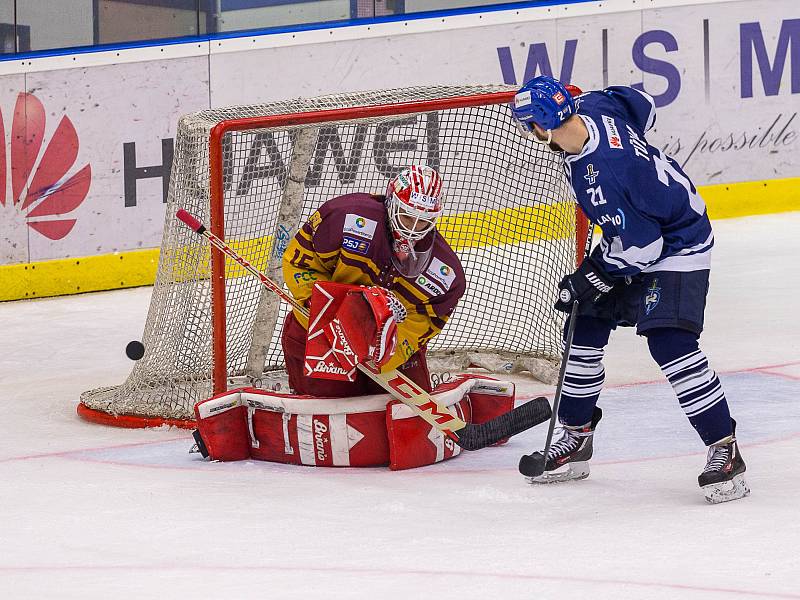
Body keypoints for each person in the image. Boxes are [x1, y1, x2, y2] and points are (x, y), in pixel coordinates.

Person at [510, 76, 749, 503]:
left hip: (678, 242)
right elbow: (642, 102)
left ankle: (724, 448)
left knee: (670, 341)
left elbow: (646, 247)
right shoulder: (597, 108)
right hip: (637, 234)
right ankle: (576, 437)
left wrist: (592, 276)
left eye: (529, 125)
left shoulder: (604, 176)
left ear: (541, 126)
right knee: (584, 324)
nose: (529, 134)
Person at [281, 165, 466, 397]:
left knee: (409, 424)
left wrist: (387, 352)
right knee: (327, 418)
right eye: (408, 216)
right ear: (391, 202)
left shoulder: (446, 273)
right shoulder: (345, 217)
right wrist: (322, 309)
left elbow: (425, 322)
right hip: (322, 334)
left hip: (389, 346)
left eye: (423, 221)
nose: (413, 229)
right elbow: (300, 263)